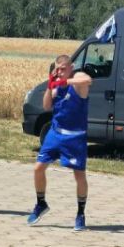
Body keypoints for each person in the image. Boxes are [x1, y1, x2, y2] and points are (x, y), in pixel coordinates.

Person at [29, 55, 92, 230]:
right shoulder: (56, 84)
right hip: (55, 133)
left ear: (71, 67)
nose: (60, 72)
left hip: (75, 136)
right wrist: (50, 86)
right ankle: (41, 203)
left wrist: (66, 81)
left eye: (63, 68)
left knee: (79, 175)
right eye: (57, 69)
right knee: (38, 168)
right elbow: (46, 106)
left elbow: (88, 80)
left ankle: (80, 214)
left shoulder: (78, 79)